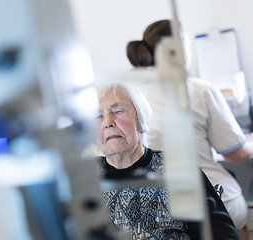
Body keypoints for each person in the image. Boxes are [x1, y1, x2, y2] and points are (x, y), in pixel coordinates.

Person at [126, 19, 253, 240]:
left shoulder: (131, 95)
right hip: (216, 206)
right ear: (179, 49)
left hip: (162, 212)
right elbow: (235, 153)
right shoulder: (200, 90)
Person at [95, 82, 239, 239]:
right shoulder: (84, 180)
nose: (107, 122)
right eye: (98, 115)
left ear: (140, 120)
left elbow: (222, 235)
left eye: (118, 111)